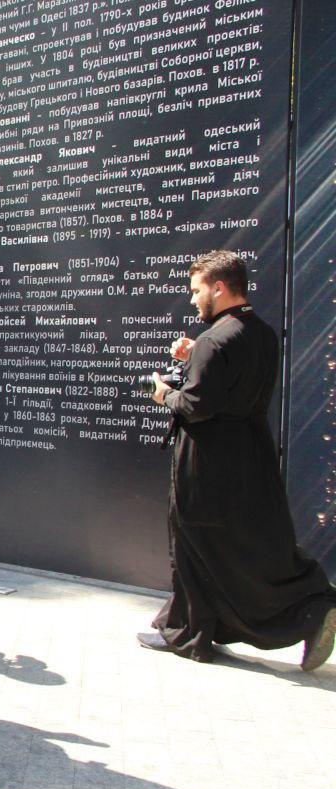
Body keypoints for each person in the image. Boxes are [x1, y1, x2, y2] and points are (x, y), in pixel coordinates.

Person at [139, 250, 336, 667]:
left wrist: (162, 394)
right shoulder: (259, 333)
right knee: (245, 545)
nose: (193, 300)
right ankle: (309, 604)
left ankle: (189, 633)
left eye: (196, 291)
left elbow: (195, 405)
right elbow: (232, 381)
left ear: (219, 286)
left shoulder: (214, 339)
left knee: (195, 543)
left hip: (207, 460)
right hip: (250, 453)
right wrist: (195, 356)